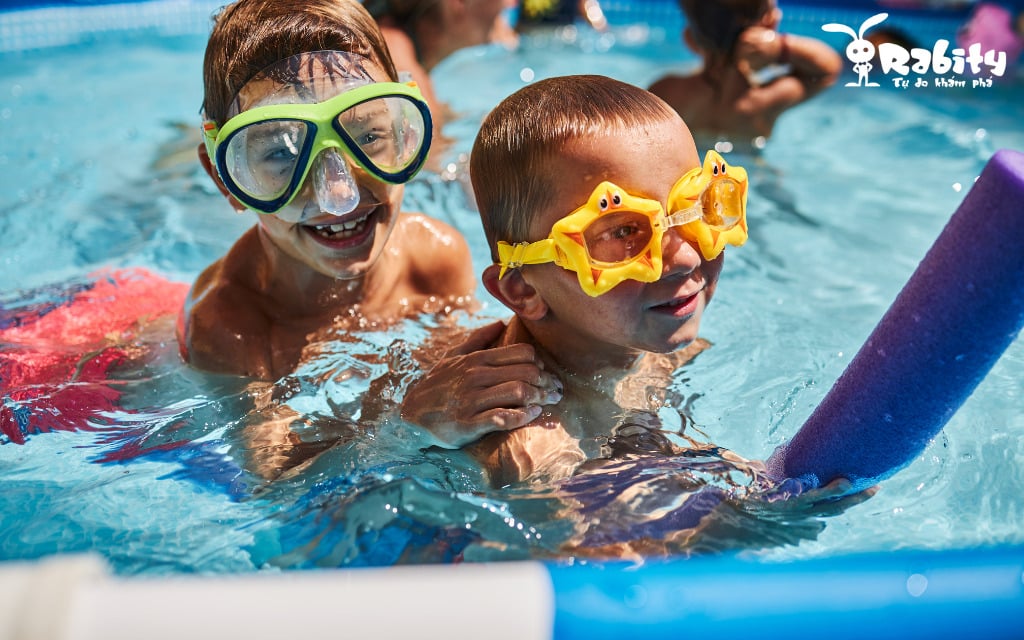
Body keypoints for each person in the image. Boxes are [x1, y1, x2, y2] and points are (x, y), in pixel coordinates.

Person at [178, 0, 476, 381]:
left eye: (368, 137)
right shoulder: (228, 329)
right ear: (225, 179)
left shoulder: (435, 261)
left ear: (403, 132)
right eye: (283, 154)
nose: (339, 197)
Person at [649, 0, 842, 149]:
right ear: (770, 24)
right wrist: (780, 47)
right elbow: (827, 71)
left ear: (689, 38)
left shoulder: (666, 92)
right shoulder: (764, 100)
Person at [363, 0, 510, 143]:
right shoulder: (392, 50)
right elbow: (430, 149)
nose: (511, 3)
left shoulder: (409, 46)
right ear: (459, 2)